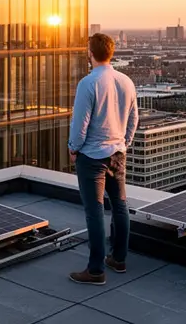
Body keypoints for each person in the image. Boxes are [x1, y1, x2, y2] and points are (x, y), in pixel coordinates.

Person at [67, 33, 138, 285]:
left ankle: (96, 270)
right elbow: (133, 119)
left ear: (90, 53)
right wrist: (124, 143)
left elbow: (80, 124)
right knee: (120, 205)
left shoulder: (88, 83)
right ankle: (119, 259)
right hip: (118, 154)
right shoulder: (126, 81)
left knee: (95, 210)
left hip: (92, 156)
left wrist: (73, 148)